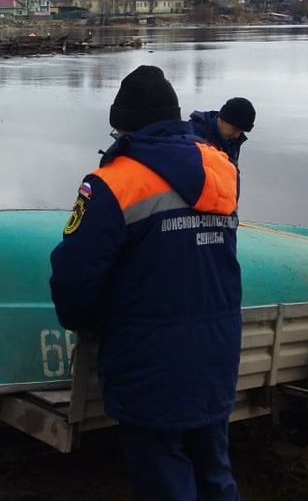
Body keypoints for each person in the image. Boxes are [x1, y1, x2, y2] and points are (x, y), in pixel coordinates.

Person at [49, 65, 242, 501]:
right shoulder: (222, 170)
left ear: (123, 125)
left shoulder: (112, 184)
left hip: (149, 362)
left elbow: (75, 277)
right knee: (214, 471)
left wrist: (83, 323)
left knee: (162, 479)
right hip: (216, 354)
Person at [188, 97, 255, 165]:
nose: (237, 136)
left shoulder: (233, 141)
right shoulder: (191, 137)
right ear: (222, 119)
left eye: (241, 131)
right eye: (234, 129)